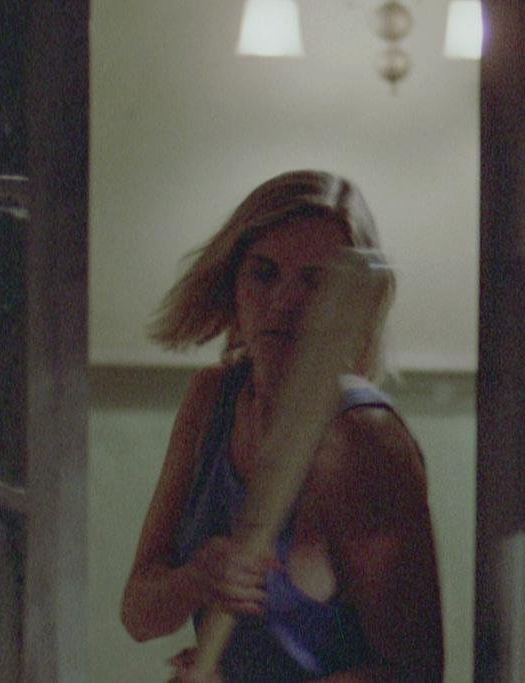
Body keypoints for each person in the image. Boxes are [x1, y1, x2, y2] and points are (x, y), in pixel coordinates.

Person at [121, 170, 444, 682]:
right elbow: (138, 615)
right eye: (264, 273)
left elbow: (414, 674)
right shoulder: (212, 400)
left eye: (316, 282)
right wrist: (197, 580)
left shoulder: (366, 438)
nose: (284, 303)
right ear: (233, 282)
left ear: (355, 304)